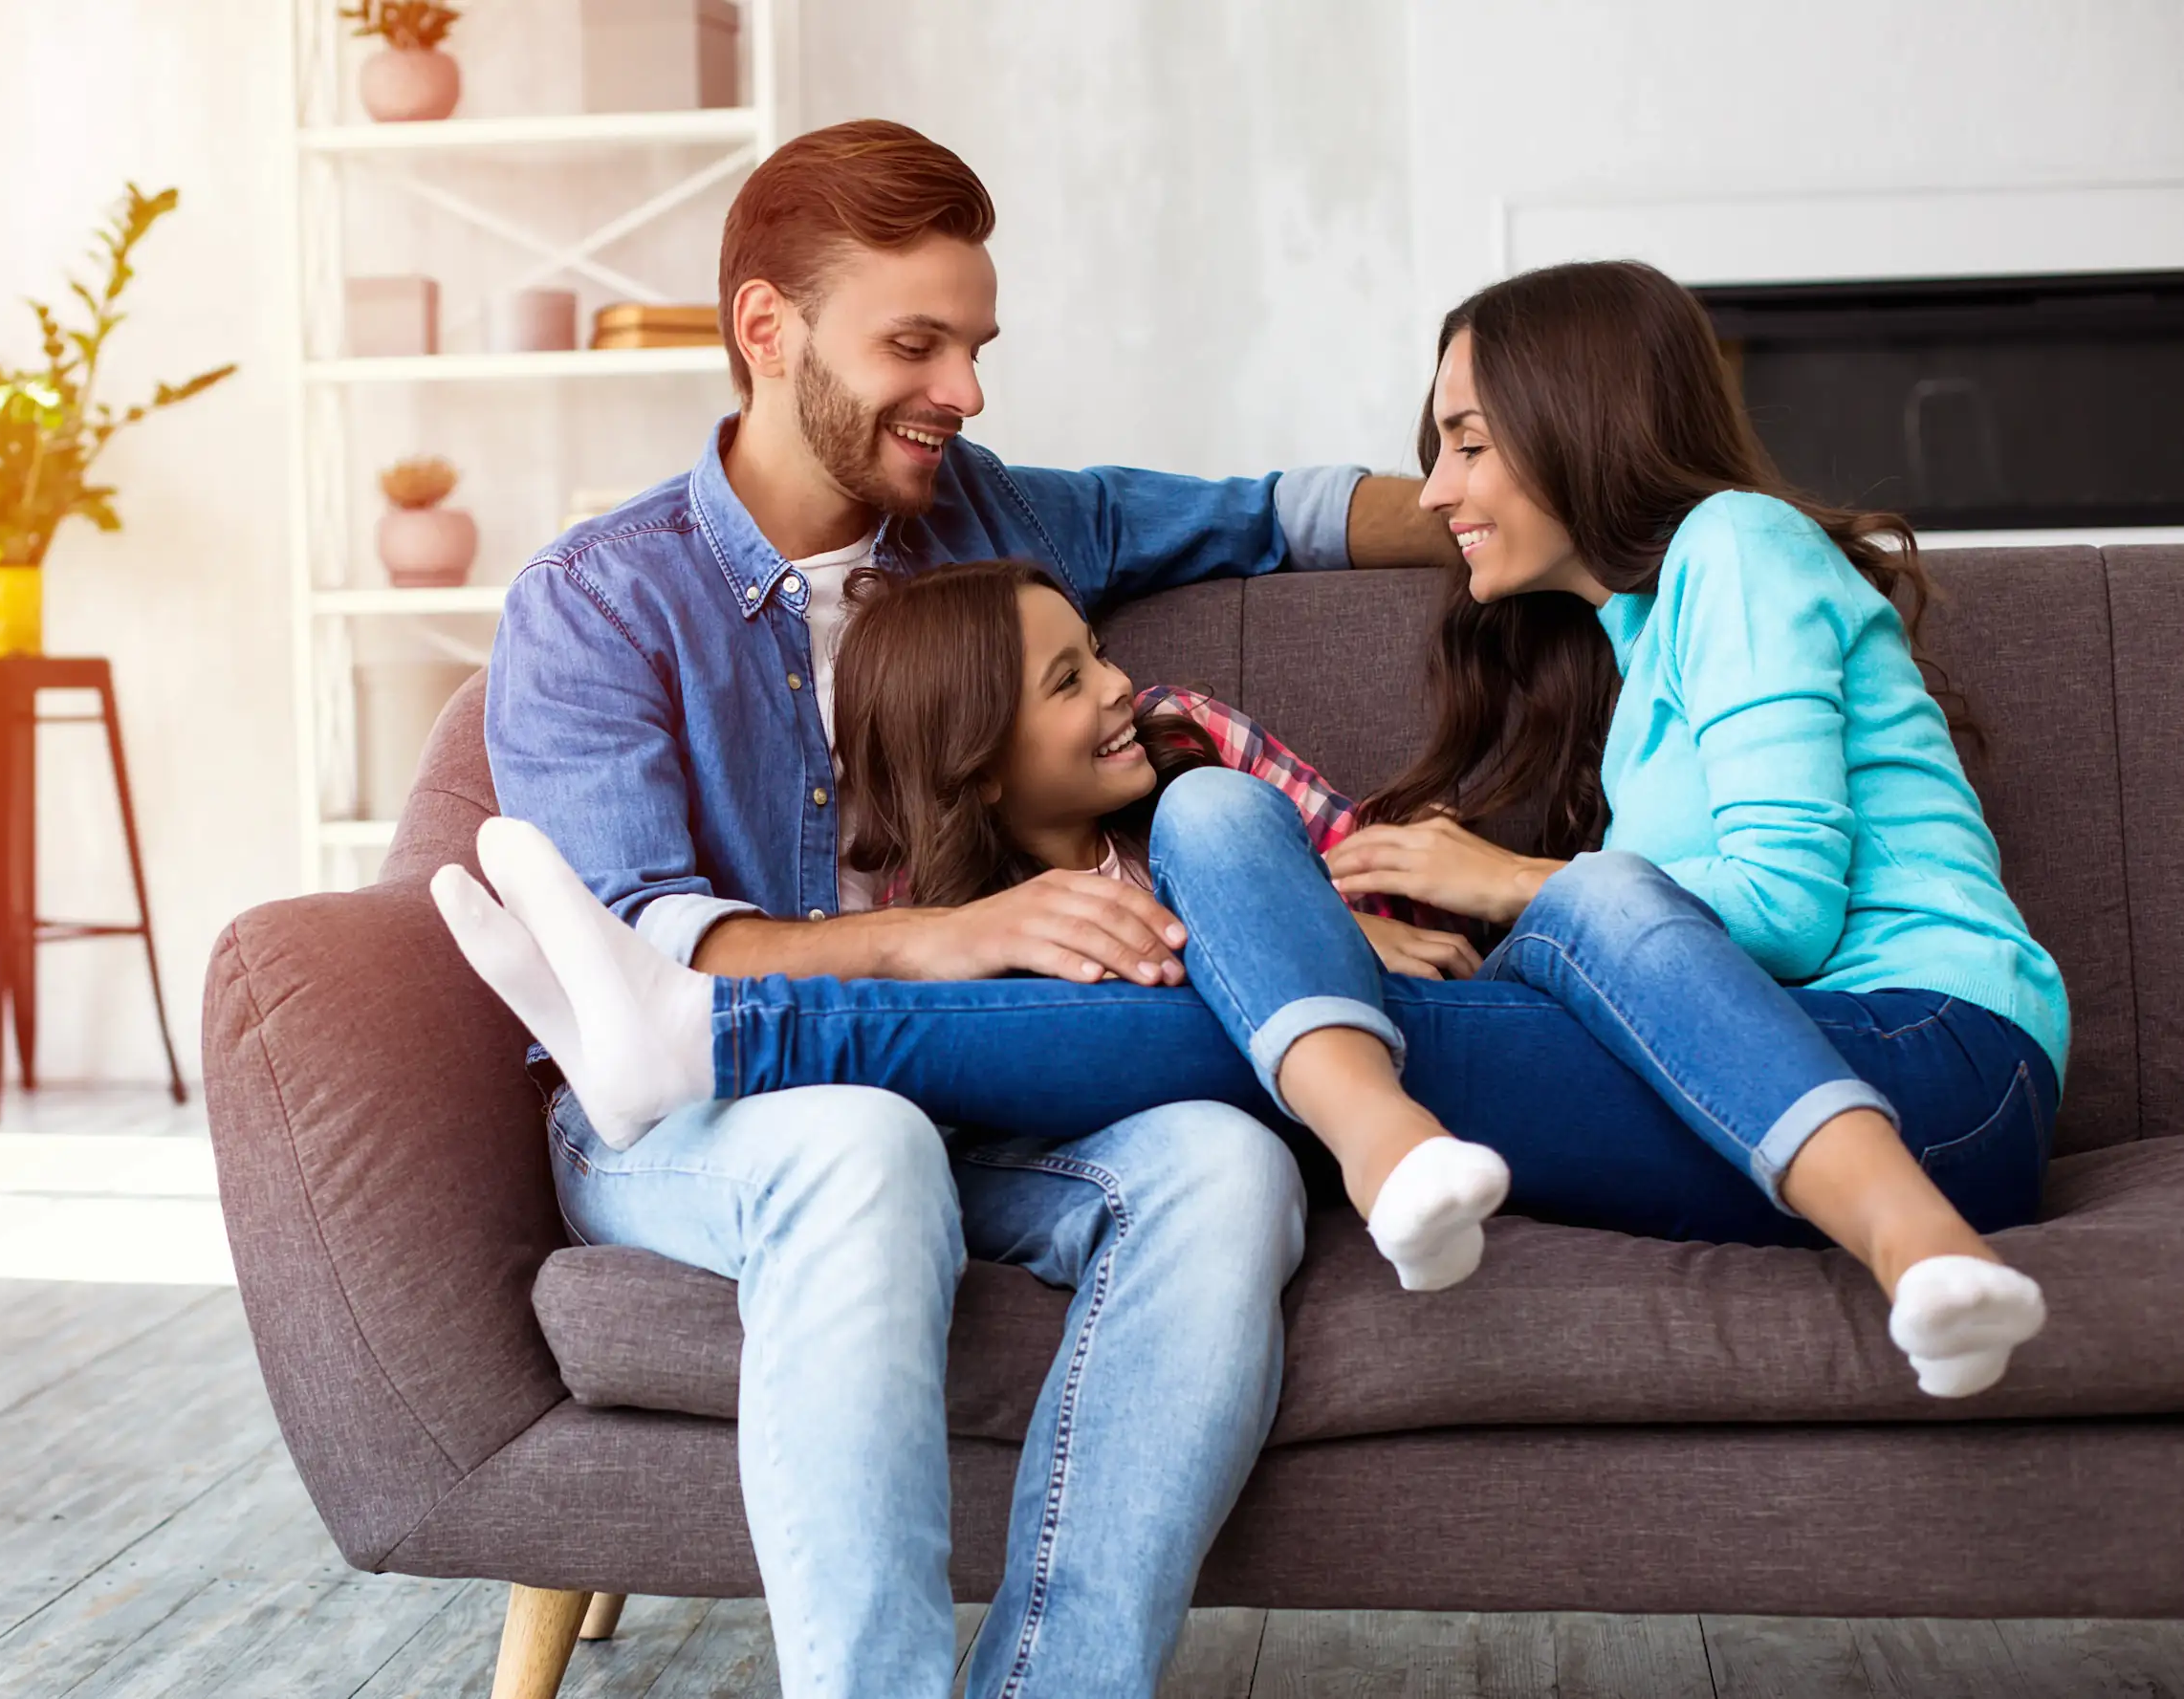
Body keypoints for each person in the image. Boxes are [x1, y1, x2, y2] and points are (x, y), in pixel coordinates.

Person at [447, 259, 2064, 1411]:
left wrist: (1500, 884)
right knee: (1276, 965)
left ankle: (730, 1029)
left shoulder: (1736, 548)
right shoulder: (1637, 644)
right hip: (1751, 1095)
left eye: (1469, 442)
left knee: (1524, 929)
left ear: (1578, 427)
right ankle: (734, 1028)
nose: (1434, 490)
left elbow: (1771, 914)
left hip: (1924, 1059)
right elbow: (1267, 524)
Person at [474, 118, 1464, 1699]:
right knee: (855, 1143)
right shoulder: (600, 601)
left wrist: (1594, 510)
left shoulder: (995, 519)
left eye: (976, 344)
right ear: (764, 331)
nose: (966, 391)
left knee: (1223, 1166)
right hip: (699, 1119)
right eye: (914, 343)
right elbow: (649, 946)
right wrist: (949, 937)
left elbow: (1279, 510)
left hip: (978, 1101)